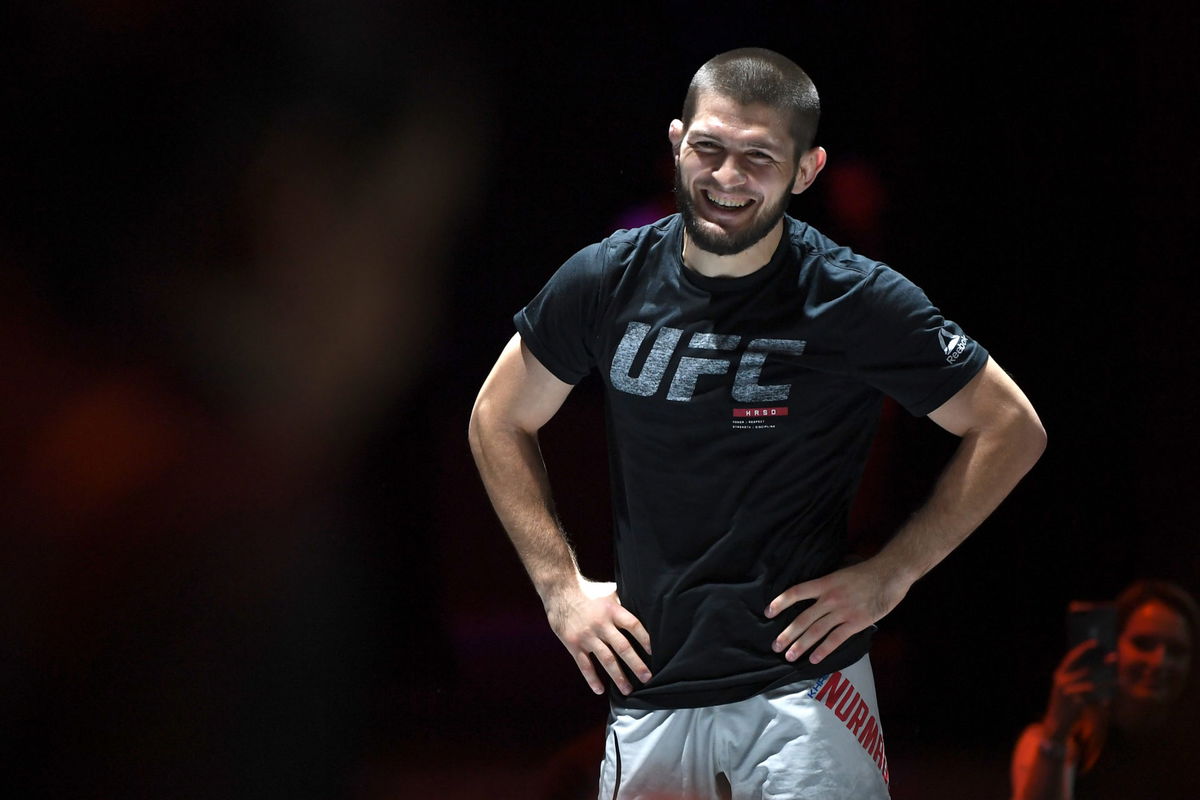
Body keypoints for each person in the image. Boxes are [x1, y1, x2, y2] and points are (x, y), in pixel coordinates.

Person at [468, 47, 1046, 799]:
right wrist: (559, 588)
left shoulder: (854, 299)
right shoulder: (606, 278)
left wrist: (891, 575)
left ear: (807, 170)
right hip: (648, 687)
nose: (727, 177)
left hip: (805, 693)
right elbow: (496, 416)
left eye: (759, 157)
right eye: (708, 147)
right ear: (677, 143)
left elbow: (1012, 426)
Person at [1009, 580, 1199, 800]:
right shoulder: (1066, 745)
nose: (1159, 661)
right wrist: (1055, 737)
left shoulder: (1187, 749)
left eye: (1176, 651)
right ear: (1111, 645)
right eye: (1143, 644)